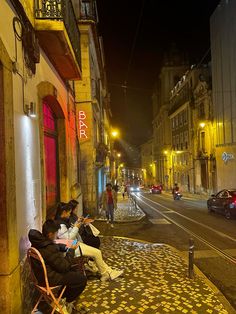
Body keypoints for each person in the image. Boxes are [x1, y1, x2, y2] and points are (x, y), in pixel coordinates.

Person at [28, 220, 87, 314]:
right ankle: (65, 301)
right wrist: (71, 250)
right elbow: (64, 267)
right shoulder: (48, 248)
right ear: (50, 234)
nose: (56, 235)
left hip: (41, 277)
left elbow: (53, 247)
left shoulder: (39, 242)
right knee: (82, 279)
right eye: (56, 233)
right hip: (51, 279)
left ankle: (61, 297)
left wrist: (63, 247)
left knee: (73, 271)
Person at [55, 202, 123, 282]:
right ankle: (105, 274)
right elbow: (68, 238)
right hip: (70, 247)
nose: (69, 215)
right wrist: (76, 227)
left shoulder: (61, 222)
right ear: (64, 212)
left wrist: (76, 225)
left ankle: (109, 272)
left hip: (73, 244)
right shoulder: (60, 224)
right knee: (97, 252)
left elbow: (67, 235)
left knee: (96, 252)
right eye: (69, 213)